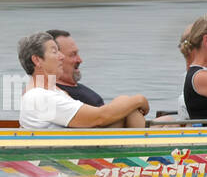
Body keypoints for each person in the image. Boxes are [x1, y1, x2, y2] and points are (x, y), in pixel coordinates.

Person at [17, 32, 149, 129]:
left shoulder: (52, 92)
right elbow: (100, 117)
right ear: (37, 60)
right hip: (72, 156)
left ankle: (146, 157)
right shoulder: (39, 96)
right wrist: (139, 99)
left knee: (127, 107)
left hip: (80, 148)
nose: (61, 56)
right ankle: (148, 158)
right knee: (126, 103)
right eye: (54, 52)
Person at [44, 29, 104, 106]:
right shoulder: (57, 96)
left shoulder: (75, 88)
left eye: (77, 53)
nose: (80, 60)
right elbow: (101, 116)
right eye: (72, 55)